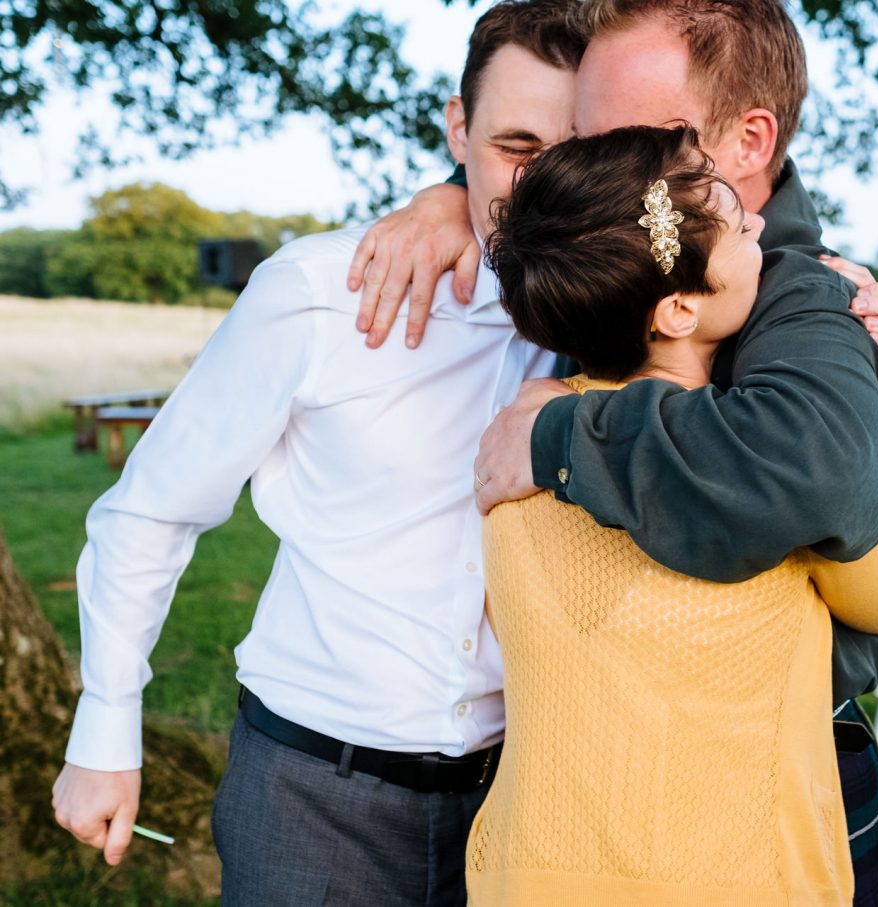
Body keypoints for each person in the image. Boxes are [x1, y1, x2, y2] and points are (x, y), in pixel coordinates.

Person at [347, 1, 878, 901]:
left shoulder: (802, 293)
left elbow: (806, 474)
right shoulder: (609, 241)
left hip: (765, 790)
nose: (587, 168)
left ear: (749, 141)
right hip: (595, 809)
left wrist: (560, 436)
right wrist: (454, 198)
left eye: (624, 139)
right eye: (579, 143)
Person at [51, 4, 585, 904]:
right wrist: (104, 733)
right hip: (310, 800)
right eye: (514, 147)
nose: (540, 188)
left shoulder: (610, 315)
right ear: (458, 130)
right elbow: (151, 511)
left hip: (519, 801)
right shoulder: (315, 294)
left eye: (570, 153)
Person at [468, 122, 878, 904]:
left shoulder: (513, 451)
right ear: (680, 308)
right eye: (737, 224)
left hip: (527, 875)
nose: (761, 223)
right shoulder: (761, 489)